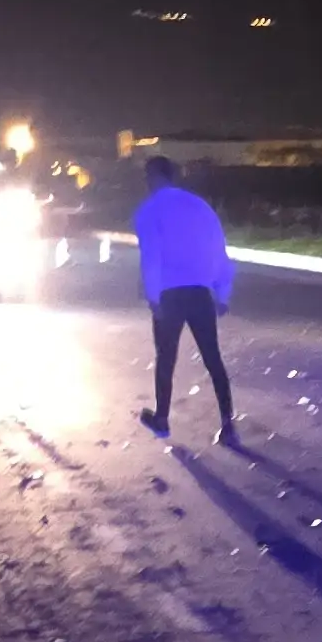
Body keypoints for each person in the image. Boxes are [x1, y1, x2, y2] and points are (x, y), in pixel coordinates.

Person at [132, 153, 236, 441]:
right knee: (213, 358)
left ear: (152, 177)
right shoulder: (199, 206)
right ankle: (228, 423)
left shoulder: (149, 210)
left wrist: (153, 296)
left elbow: (151, 256)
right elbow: (217, 248)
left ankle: (162, 419)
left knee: (166, 358)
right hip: (200, 292)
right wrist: (222, 291)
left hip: (169, 293)